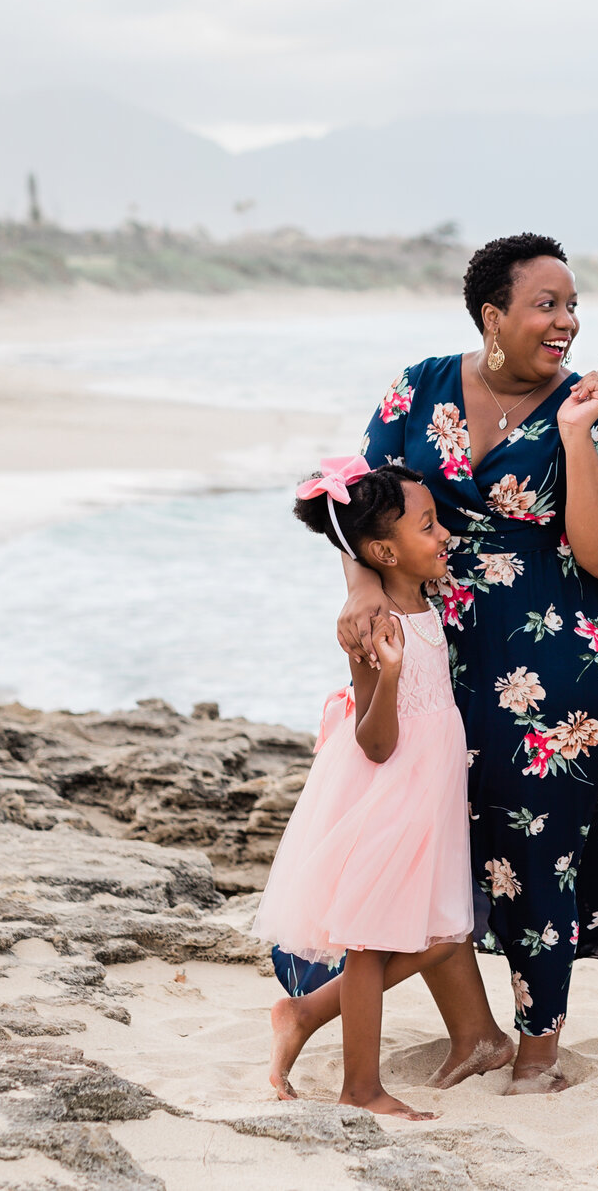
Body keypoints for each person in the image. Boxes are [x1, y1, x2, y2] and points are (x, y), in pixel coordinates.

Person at [337, 232, 598, 1095]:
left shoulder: (593, 408)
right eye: (547, 304)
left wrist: (577, 437)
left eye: (574, 305)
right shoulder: (419, 386)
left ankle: (537, 1047)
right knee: (433, 828)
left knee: (536, 844)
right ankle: (474, 1033)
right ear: (492, 314)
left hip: (567, 658)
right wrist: (361, 587)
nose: (567, 321)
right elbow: (353, 503)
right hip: (437, 643)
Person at [257, 459, 474, 1118]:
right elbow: (374, 739)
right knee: (375, 940)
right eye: (429, 525)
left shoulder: (421, 600)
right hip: (389, 789)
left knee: (436, 935)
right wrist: (392, 667)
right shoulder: (377, 626)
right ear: (383, 551)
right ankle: (360, 1086)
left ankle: (301, 1013)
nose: (445, 535)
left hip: (427, 788)